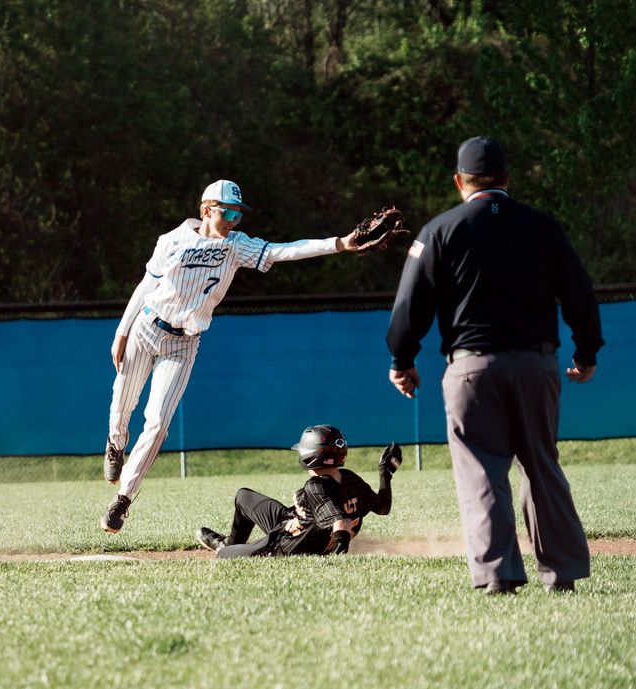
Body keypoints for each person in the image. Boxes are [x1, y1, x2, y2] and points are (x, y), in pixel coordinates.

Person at [386, 137, 604, 595]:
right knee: (542, 465)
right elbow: (580, 294)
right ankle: (561, 575)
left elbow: (409, 305)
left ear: (458, 181)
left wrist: (402, 360)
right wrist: (586, 352)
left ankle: (499, 576)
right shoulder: (543, 227)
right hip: (536, 363)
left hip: (471, 368)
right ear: (507, 178)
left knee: (482, 471)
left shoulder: (440, 230)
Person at [101, 180, 362, 533]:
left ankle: (123, 499)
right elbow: (146, 286)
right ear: (206, 209)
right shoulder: (173, 240)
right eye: (227, 211)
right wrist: (122, 330)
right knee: (122, 405)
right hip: (147, 328)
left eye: (238, 213)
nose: (233, 219)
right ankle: (115, 444)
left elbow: (284, 251)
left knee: (159, 422)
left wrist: (339, 244)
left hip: (184, 342)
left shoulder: (236, 246)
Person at [196, 425, 400, 558]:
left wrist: (339, 553)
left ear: (310, 456)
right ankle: (229, 541)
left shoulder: (316, 486)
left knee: (225, 556)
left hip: (285, 545)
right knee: (243, 496)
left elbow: (341, 522)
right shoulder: (349, 478)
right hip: (295, 523)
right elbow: (382, 507)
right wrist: (385, 475)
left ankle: (226, 548)